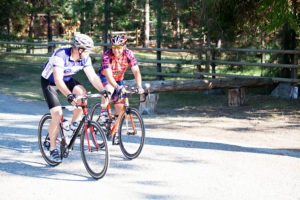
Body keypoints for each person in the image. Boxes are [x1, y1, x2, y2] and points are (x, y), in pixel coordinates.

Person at [41, 33, 107, 162]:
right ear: (80, 49)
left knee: (82, 95)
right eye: (88, 50)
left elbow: (93, 77)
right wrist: (69, 95)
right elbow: (58, 80)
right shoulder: (61, 56)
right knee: (57, 114)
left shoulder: (85, 58)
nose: (89, 53)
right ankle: (53, 149)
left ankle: (72, 126)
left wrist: (103, 90)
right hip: (50, 82)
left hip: (67, 79)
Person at [97, 35, 144, 144]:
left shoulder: (129, 54)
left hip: (118, 79)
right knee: (109, 89)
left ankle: (116, 131)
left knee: (120, 105)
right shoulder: (106, 56)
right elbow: (108, 76)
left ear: (124, 46)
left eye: (119, 48)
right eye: (114, 47)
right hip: (105, 77)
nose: (116, 50)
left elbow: (136, 71)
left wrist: (139, 86)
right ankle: (103, 112)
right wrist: (117, 87)